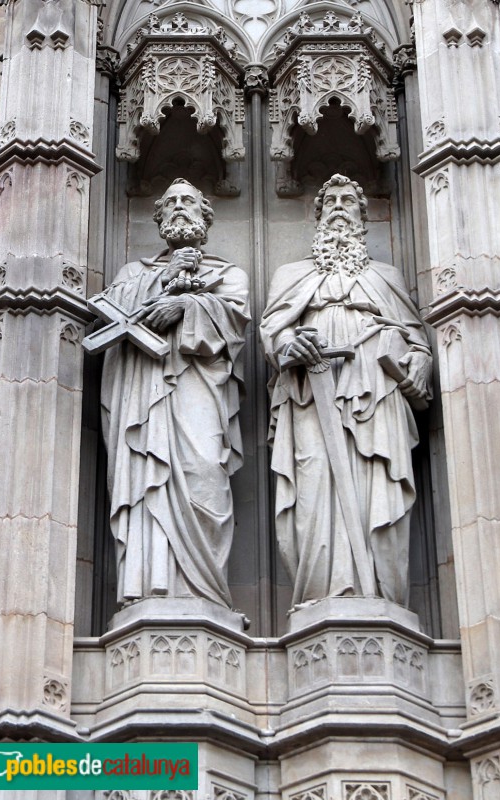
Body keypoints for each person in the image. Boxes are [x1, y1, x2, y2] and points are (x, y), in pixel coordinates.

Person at [260, 174, 432, 607]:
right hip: (310, 395)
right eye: (330, 201)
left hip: (377, 398)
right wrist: (288, 345)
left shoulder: (385, 277)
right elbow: (273, 332)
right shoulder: (292, 276)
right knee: (316, 488)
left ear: (362, 217)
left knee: (378, 488)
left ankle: (384, 598)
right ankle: (323, 596)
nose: (338, 207)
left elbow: (419, 343)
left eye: (348, 201)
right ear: (318, 217)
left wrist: (418, 366)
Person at [101, 179, 250, 607]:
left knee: (205, 475)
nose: (180, 208)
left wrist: (187, 307)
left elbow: (235, 322)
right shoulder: (135, 273)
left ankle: (204, 596)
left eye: (189, 202)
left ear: (205, 218)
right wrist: (163, 278)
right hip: (145, 395)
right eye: (172, 203)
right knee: (149, 484)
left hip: (198, 388)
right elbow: (111, 312)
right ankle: (150, 589)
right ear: (160, 218)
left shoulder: (228, 274)